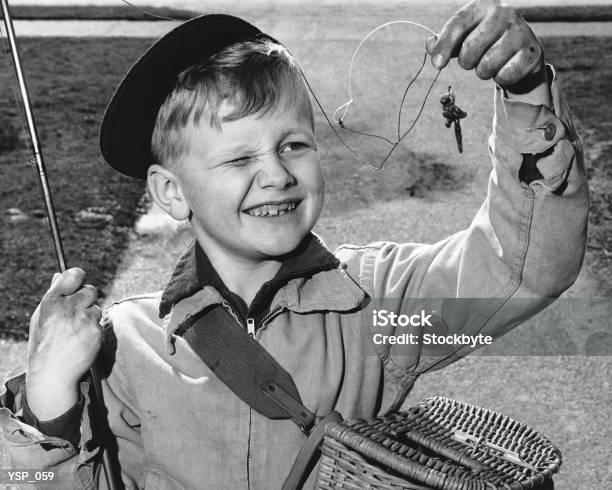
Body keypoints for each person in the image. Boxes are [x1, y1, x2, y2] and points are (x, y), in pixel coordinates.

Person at [0, 0, 588, 488]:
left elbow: (525, 269)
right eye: (238, 157)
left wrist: (529, 93)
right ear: (172, 193)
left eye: (294, 145)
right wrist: (50, 392)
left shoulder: (378, 307)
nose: (277, 174)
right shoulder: (121, 348)